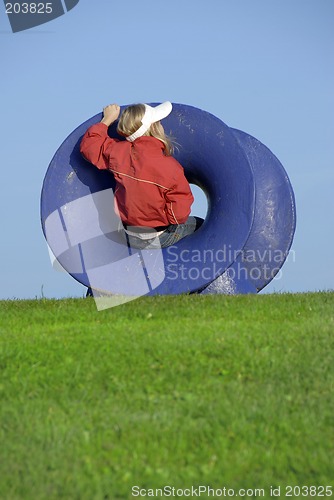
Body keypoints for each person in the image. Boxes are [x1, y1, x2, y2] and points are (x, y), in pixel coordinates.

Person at [80, 101, 203, 249]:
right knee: (200, 224)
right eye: (159, 122)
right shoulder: (171, 168)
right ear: (153, 127)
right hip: (159, 236)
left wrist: (107, 120)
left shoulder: (118, 153)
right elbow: (179, 215)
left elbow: (90, 146)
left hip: (128, 234)